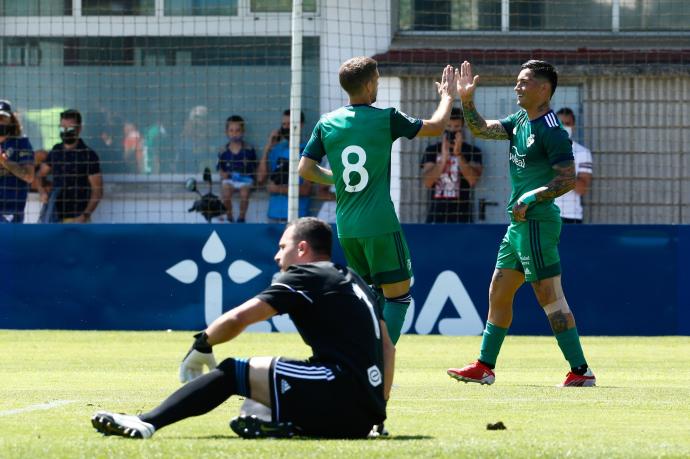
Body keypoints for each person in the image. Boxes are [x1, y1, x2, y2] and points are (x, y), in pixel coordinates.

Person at [91, 217, 395, 439]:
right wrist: (376, 409)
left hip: (338, 389)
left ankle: (145, 422)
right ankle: (277, 426)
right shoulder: (352, 278)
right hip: (361, 411)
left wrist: (203, 344)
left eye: (282, 246)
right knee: (256, 397)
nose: (277, 256)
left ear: (302, 248)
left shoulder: (306, 275)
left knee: (232, 372)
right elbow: (387, 348)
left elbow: (239, 319)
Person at [446, 60, 595, 387]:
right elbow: (482, 129)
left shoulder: (552, 129)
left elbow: (568, 179)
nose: (517, 87)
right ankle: (485, 366)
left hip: (538, 222)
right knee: (499, 289)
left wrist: (533, 197)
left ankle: (581, 371)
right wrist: (467, 100)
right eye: (517, 82)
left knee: (550, 296)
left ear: (544, 89)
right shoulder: (520, 120)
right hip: (518, 226)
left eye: (524, 82)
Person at [298, 56, 458, 347]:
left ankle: (355, 362)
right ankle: (379, 367)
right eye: (379, 80)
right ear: (370, 84)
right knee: (398, 297)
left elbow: (305, 170)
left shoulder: (327, 123)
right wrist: (447, 97)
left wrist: (341, 180)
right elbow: (436, 127)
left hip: (346, 226)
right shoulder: (386, 117)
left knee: (369, 297)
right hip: (380, 223)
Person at [37, 109, 103, 223]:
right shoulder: (56, 151)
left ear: (79, 129)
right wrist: (42, 191)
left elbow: (97, 191)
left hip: (78, 218)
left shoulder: (88, 155)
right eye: (62, 128)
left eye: (70, 128)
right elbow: (39, 175)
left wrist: (85, 216)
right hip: (54, 217)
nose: (66, 131)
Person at [421, 107, 483, 223]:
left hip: (462, 215)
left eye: (456, 127)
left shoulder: (473, 151)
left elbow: (473, 180)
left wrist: (458, 154)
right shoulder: (432, 150)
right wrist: (443, 158)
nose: (452, 130)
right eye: (448, 127)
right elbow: (427, 182)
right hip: (436, 215)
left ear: (462, 127)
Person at [258, 110, 311, 223]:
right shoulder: (277, 149)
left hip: (298, 216)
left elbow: (306, 189)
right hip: (273, 215)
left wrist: (277, 189)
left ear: (300, 125)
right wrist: (267, 149)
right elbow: (260, 179)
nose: (286, 128)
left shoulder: (308, 150)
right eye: (284, 124)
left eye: (290, 124)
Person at [554, 107, 593, 224]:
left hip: (570, 215)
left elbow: (582, 189)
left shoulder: (582, 152)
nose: (564, 127)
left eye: (567, 124)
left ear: (573, 126)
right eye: (560, 124)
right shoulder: (541, 151)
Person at [216, 115, 257, 223]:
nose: (234, 133)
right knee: (226, 192)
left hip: (245, 179)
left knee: (244, 193)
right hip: (229, 179)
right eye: (231, 131)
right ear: (227, 132)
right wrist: (224, 174)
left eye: (238, 130)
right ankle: (229, 217)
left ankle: (241, 217)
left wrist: (251, 178)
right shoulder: (223, 151)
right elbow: (220, 169)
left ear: (243, 131)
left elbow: (254, 167)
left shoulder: (249, 149)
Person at [0, 100, 35, 223]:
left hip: (10, 212)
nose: (0, 121)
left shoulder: (21, 143)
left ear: (11, 120)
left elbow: (29, 176)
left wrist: (4, 162)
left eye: (3, 118)